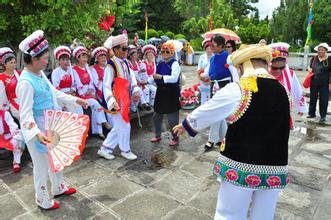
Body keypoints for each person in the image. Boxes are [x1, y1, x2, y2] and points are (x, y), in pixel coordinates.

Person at [174, 44, 290, 220]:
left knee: (229, 213)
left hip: (242, 164)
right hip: (274, 166)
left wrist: (187, 124)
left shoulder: (240, 88)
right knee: (264, 215)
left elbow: (210, 108)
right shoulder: (282, 90)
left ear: (244, 65)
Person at [17, 30, 88, 210]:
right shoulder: (25, 82)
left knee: (56, 159)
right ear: (34, 59)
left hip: (50, 126)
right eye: (45, 58)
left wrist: (75, 99)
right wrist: (36, 132)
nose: (47, 60)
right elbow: (25, 114)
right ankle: (41, 198)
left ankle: (58, 187)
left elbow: (54, 92)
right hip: (37, 132)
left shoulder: (39, 74)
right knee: (41, 167)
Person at [97, 34, 140, 161]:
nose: (126, 51)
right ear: (115, 50)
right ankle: (125, 150)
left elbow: (132, 78)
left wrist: (136, 90)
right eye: (123, 49)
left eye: (127, 48)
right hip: (116, 99)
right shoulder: (111, 65)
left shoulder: (126, 63)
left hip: (124, 98)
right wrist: (112, 101)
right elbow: (106, 86)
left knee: (119, 126)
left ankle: (105, 148)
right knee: (125, 125)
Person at [71, 45, 110, 138]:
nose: (85, 59)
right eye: (83, 57)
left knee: (96, 105)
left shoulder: (87, 67)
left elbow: (91, 81)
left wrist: (91, 90)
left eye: (86, 56)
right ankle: (104, 123)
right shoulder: (74, 70)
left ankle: (98, 131)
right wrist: (85, 92)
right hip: (81, 95)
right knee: (96, 105)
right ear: (78, 58)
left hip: (89, 93)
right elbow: (77, 83)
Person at [269, 42, 308, 128]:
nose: (278, 71)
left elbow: (297, 90)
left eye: (282, 68)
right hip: (267, 113)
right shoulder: (262, 73)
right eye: (274, 68)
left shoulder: (290, 74)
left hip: (284, 112)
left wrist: (301, 106)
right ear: (269, 64)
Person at [150, 41, 181, 146]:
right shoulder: (161, 63)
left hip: (171, 93)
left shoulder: (175, 63)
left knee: (172, 118)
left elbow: (174, 78)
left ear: (172, 52)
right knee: (156, 115)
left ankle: (175, 137)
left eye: (167, 51)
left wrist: (161, 77)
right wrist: (147, 81)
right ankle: (158, 135)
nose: (164, 53)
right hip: (160, 92)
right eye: (162, 51)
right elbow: (154, 75)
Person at [205, 34, 232, 151]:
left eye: (214, 45)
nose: (212, 47)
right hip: (214, 85)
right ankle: (224, 138)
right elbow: (210, 72)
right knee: (218, 112)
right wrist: (207, 76)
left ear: (221, 45)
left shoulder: (228, 57)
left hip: (224, 85)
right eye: (211, 45)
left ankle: (211, 139)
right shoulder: (212, 57)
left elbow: (233, 73)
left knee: (216, 111)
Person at [51, 45, 82, 113]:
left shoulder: (71, 71)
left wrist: (72, 91)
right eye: (63, 60)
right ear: (59, 61)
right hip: (60, 96)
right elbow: (56, 88)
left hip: (71, 94)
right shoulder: (55, 72)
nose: (65, 62)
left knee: (79, 108)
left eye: (67, 59)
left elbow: (75, 84)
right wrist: (66, 94)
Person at [307, 43, 331, 123]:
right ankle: (311, 113)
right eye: (319, 50)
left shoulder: (329, 59)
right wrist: (309, 69)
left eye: (322, 50)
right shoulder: (314, 58)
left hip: (325, 83)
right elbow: (310, 67)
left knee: (323, 100)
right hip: (314, 82)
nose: (320, 51)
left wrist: (330, 83)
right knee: (313, 98)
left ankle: (323, 116)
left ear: (326, 51)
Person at [127, 45, 151, 111]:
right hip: (132, 82)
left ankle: (146, 103)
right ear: (130, 56)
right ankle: (141, 105)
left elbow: (137, 73)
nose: (135, 57)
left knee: (146, 89)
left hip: (138, 80)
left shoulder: (137, 63)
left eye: (136, 55)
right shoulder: (128, 63)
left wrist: (141, 73)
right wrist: (138, 82)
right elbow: (131, 75)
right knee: (139, 90)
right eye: (134, 55)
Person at [0, 47, 21, 119]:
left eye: (14, 62)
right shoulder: (1, 77)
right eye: (11, 63)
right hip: (13, 105)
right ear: (4, 64)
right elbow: (2, 96)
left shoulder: (20, 74)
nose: (13, 65)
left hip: (24, 99)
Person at [197, 38, 212, 104]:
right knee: (203, 97)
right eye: (207, 48)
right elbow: (199, 69)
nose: (209, 50)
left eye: (210, 48)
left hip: (211, 80)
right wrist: (201, 78)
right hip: (203, 79)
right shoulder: (202, 57)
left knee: (210, 97)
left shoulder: (214, 57)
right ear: (205, 49)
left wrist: (209, 80)